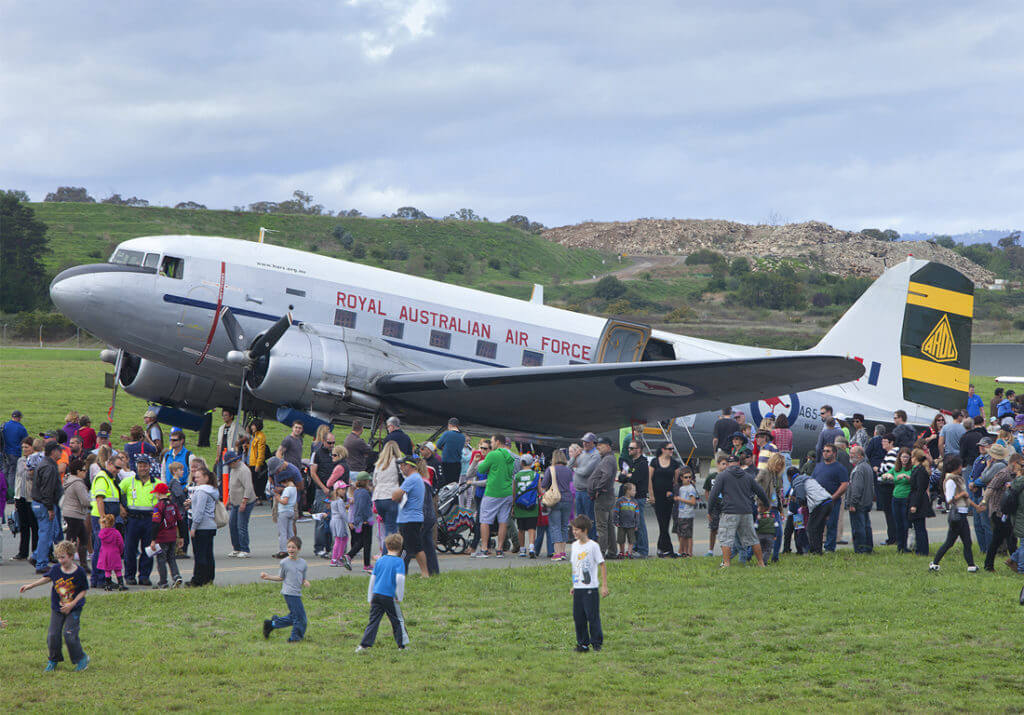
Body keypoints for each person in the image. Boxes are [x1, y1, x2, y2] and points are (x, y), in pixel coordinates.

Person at [19, 540, 90, 672]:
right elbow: (47, 578)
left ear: (70, 556)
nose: (60, 560)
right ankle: (53, 659)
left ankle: (81, 658)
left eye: (63, 557)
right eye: (58, 557)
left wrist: (72, 604)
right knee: (53, 635)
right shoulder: (56, 569)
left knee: (69, 635)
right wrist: (30, 586)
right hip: (58, 608)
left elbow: (84, 590)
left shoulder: (79, 572)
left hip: (73, 609)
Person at [709, 451, 771, 567]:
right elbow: (760, 491)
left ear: (728, 464)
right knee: (752, 539)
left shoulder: (722, 476)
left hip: (729, 511)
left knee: (726, 539)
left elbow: (713, 494)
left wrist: (709, 511)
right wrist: (766, 504)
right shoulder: (747, 476)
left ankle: (726, 563)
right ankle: (761, 563)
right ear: (738, 463)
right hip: (746, 511)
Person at [356, 532, 409, 652]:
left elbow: (372, 579)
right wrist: (399, 596)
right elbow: (400, 579)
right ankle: (402, 645)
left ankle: (364, 645)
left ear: (386, 546)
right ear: (400, 547)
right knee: (397, 620)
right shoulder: (399, 562)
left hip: (376, 595)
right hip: (389, 596)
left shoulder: (379, 561)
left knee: (373, 621)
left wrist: (370, 597)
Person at [929, 456, 979, 572]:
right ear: (956, 467)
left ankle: (971, 565)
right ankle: (935, 563)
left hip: (962, 513)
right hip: (957, 515)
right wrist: (961, 495)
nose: (962, 468)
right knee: (949, 542)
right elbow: (949, 499)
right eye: (960, 466)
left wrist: (976, 507)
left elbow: (965, 497)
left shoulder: (958, 478)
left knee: (967, 541)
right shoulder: (950, 480)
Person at [568, 514, 608, 652]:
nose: (574, 532)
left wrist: (604, 585)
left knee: (592, 616)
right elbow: (575, 567)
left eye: (577, 530)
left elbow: (602, 565)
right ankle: (582, 644)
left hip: (590, 588)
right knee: (578, 617)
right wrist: (574, 584)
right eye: (573, 529)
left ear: (584, 530)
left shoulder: (593, 546)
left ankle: (596, 643)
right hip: (579, 588)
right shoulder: (574, 546)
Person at [260, 535, 311, 642]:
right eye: (289, 547)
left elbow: (302, 578)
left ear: (299, 549)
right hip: (289, 593)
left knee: (294, 617)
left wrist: (305, 582)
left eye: (293, 547)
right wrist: (267, 576)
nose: (290, 550)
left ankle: (271, 624)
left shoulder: (303, 563)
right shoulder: (284, 562)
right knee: (301, 619)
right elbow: (280, 577)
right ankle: (294, 639)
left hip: (297, 592)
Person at [473, 434, 517, 558]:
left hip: (493, 491)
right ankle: (499, 549)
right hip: (507, 492)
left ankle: (484, 548)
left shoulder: (493, 454)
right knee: (503, 521)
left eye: (492, 442)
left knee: (485, 520)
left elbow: (481, 469)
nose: (491, 444)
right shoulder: (511, 456)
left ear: (497, 442)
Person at [120, 454, 160, 586]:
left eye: (145, 465)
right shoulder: (129, 481)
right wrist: (121, 507)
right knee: (130, 549)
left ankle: (144, 576)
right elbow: (116, 493)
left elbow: (166, 499)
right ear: (136, 467)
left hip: (150, 520)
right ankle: (130, 576)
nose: (142, 468)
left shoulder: (157, 483)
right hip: (133, 519)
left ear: (149, 467)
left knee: (148, 549)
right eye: (140, 465)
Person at [981, 453, 1021, 571]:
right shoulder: (1004, 474)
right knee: (997, 539)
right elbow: (991, 487)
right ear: (1014, 463)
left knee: (1011, 538)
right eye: (1020, 464)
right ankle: (989, 565)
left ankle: (1015, 563)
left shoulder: (1016, 475)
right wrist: (984, 502)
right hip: (998, 511)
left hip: (1009, 511)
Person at [393, 456, 429, 576]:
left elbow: (395, 496)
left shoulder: (411, 479)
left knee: (415, 548)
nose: (401, 468)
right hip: (410, 518)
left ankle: (425, 573)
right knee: (403, 548)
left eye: (402, 465)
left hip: (410, 518)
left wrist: (395, 491)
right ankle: (399, 572)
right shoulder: (416, 478)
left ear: (408, 466)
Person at [32, 442, 64, 574]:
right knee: (46, 534)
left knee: (45, 533)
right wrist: (50, 508)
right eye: (59, 451)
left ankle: (36, 556)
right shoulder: (49, 467)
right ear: (53, 452)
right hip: (45, 505)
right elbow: (47, 490)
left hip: (38, 503)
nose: (61, 453)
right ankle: (41, 563)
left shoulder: (45, 464)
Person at [812, 444, 849, 552]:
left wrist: (833, 497)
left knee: (831, 524)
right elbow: (812, 481)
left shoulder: (839, 468)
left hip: (832, 501)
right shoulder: (818, 466)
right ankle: (816, 547)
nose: (825, 453)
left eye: (828, 451)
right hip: (819, 501)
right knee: (817, 525)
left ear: (834, 453)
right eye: (824, 451)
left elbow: (844, 484)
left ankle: (829, 547)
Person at [187, 465, 219, 587]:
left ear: (206, 477)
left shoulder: (201, 491)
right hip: (210, 525)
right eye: (195, 477)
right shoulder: (212, 490)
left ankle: (198, 580)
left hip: (202, 526)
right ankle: (209, 578)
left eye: (198, 477)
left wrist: (194, 527)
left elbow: (199, 512)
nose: (196, 479)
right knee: (208, 554)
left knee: (200, 554)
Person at [540, 449, 574, 561]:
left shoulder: (551, 469)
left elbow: (544, 485)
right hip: (568, 499)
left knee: (555, 526)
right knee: (564, 526)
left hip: (555, 500)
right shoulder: (569, 470)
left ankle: (557, 553)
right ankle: (563, 552)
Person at [790, 469, 833, 555]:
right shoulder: (807, 478)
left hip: (819, 504)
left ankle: (815, 551)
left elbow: (801, 497)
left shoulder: (797, 481)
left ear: (789, 477)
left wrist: (800, 503)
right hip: (829, 501)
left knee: (811, 528)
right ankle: (819, 550)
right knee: (819, 528)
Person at [149, 482, 183, 588]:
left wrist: (153, 539)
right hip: (173, 536)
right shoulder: (173, 505)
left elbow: (155, 524)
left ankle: (163, 581)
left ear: (159, 494)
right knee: (171, 558)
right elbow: (180, 520)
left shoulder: (158, 507)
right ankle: (176, 576)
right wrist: (181, 536)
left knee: (161, 559)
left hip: (162, 537)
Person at [649, 443, 681, 557]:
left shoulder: (674, 463)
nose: (671, 451)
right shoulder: (654, 462)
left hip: (668, 497)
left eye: (672, 449)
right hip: (657, 496)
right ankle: (669, 550)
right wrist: (651, 494)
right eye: (669, 449)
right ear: (663, 450)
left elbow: (676, 482)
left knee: (665, 523)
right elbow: (650, 479)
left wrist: (672, 492)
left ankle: (661, 549)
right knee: (661, 522)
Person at [61, 458, 92, 571]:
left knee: (80, 537)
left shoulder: (69, 480)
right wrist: (92, 503)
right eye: (84, 470)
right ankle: (66, 563)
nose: (85, 472)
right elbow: (84, 500)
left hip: (70, 512)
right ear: (78, 471)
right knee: (72, 540)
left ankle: (82, 565)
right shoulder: (78, 483)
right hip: (75, 513)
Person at [589, 436, 618, 558]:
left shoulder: (607, 460)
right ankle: (612, 551)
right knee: (609, 525)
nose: (598, 447)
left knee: (602, 526)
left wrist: (597, 489)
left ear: (608, 446)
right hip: (608, 496)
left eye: (601, 445)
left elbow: (606, 475)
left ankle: (601, 552)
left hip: (603, 497)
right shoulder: (609, 458)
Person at [225, 451, 256, 558]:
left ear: (236, 460)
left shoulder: (244, 470)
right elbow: (232, 485)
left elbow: (248, 487)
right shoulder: (233, 469)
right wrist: (228, 499)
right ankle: (236, 548)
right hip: (235, 502)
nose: (229, 465)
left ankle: (245, 549)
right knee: (232, 524)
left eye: (231, 463)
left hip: (245, 502)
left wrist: (244, 501)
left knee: (241, 525)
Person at [569, 433, 600, 538]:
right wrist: (574, 456)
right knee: (580, 518)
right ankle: (582, 540)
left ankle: (591, 540)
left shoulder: (595, 455)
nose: (584, 444)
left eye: (587, 442)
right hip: (578, 490)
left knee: (589, 518)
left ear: (593, 443)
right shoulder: (581, 454)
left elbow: (586, 471)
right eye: (584, 441)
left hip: (587, 491)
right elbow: (569, 466)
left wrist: (575, 469)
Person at [13, 438, 39, 561]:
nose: (24, 450)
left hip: (32, 497)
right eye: (23, 447)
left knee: (34, 525)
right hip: (21, 496)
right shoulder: (21, 460)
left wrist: (29, 470)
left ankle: (35, 552)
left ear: (33, 448)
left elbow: (31, 476)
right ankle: (23, 552)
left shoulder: (37, 460)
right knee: (23, 525)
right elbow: (22, 473)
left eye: (27, 447)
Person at [372, 442, 403, 540]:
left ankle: (386, 551)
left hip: (378, 498)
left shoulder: (379, 464)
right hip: (391, 497)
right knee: (392, 530)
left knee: (387, 527)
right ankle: (389, 553)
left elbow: (374, 481)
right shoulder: (398, 463)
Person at [847, 445, 874, 554]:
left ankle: (860, 549)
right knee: (866, 526)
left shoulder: (858, 469)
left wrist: (852, 503)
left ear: (859, 455)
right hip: (866, 501)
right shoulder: (867, 466)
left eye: (852, 453)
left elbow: (857, 488)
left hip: (859, 503)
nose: (850, 455)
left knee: (858, 528)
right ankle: (868, 548)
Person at [907, 450, 934, 556]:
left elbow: (919, 489)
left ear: (916, 458)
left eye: (912, 457)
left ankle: (923, 550)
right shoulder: (917, 469)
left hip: (919, 501)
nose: (911, 460)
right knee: (918, 526)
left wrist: (914, 504)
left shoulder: (920, 471)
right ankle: (920, 548)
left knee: (920, 527)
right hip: (916, 498)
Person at [886, 448, 913, 552]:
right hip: (896, 497)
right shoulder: (896, 468)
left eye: (906, 457)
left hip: (906, 498)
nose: (904, 459)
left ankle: (906, 546)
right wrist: (888, 475)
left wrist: (906, 476)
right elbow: (884, 475)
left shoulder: (912, 469)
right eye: (903, 457)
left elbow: (915, 480)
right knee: (898, 523)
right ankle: (900, 546)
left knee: (905, 523)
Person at [513, 454, 540, 557]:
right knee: (532, 527)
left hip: (520, 504)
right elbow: (539, 489)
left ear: (521, 463)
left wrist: (513, 505)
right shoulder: (535, 475)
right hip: (532, 504)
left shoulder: (517, 476)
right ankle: (532, 547)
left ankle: (522, 549)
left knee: (521, 528)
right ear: (531, 463)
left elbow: (514, 491)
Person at [348, 474, 375, 572]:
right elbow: (362, 507)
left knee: (362, 542)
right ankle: (366, 564)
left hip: (361, 520)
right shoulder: (364, 493)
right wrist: (362, 520)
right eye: (368, 481)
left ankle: (349, 556)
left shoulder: (357, 492)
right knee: (367, 543)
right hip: (365, 520)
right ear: (365, 481)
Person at [703, 455, 728, 556]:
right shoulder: (711, 477)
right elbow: (707, 491)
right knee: (714, 528)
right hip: (715, 506)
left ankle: (725, 550)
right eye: (723, 464)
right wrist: (710, 503)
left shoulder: (728, 477)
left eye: (727, 464)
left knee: (726, 529)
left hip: (725, 505)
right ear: (717, 464)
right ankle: (710, 550)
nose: (725, 466)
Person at [96, 513, 126, 590]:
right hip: (115, 552)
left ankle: (108, 585)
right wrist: (120, 551)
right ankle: (121, 584)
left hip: (105, 554)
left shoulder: (102, 533)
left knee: (107, 570)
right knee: (118, 570)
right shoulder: (116, 533)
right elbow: (121, 543)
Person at [435, 417, 466, 488]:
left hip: (447, 463)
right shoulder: (462, 436)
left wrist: (444, 449)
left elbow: (438, 445)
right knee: (454, 485)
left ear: (449, 425)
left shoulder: (447, 434)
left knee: (445, 485)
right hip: (457, 464)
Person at [612, 481, 640, 558]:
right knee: (621, 539)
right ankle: (622, 552)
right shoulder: (620, 501)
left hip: (631, 524)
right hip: (621, 523)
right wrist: (615, 521)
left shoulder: (635, 502)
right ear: (628, 491)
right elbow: (616, 512)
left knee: (631, 539)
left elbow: (637, 514)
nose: (635, 492)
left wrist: (636, 523)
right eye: (633, 490)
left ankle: (629, 552)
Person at [273, 473, 298, 559]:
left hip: (284, 511)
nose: (282, 485)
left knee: (282, 532)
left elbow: (285, 501)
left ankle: (283, 551)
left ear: (285, 481)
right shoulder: (294, 489)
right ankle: (294, 548)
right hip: (291, 511)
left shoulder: (287, 489)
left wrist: (278, 497)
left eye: (282, 483)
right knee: (290, 532)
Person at [674, 472, 697, 557]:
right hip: (681, 513)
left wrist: (680, 499)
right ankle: (682, 551)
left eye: (689, 477)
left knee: (688, 535)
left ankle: (689, 553)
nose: (688, 479)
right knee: (682, 534)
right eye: (686, 477)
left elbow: (693, 502)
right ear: (681, 478)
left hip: (688, 514)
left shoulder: (691, 489)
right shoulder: (682, 488)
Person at [329, 483, 352, 569]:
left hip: (334, 520)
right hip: (339, 521)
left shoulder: (334, 500)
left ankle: (337, 558)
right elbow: (342, 513)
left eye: (345, 489)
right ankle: (336, 559)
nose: (344, 491)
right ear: (337, 490)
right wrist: (349, 522)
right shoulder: (340, 501)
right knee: (339, 539)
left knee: (342, 538)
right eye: (342, 489)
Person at [2, 409, 30, 479]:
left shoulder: (4, 425)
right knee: (13, 473)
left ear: (12, 417)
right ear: (19, 418)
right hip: (15, 453)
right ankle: (11, 489)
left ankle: (3, 488)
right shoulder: (21, 428)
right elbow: (27, 440)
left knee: (5, 471)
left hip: (4, 453)